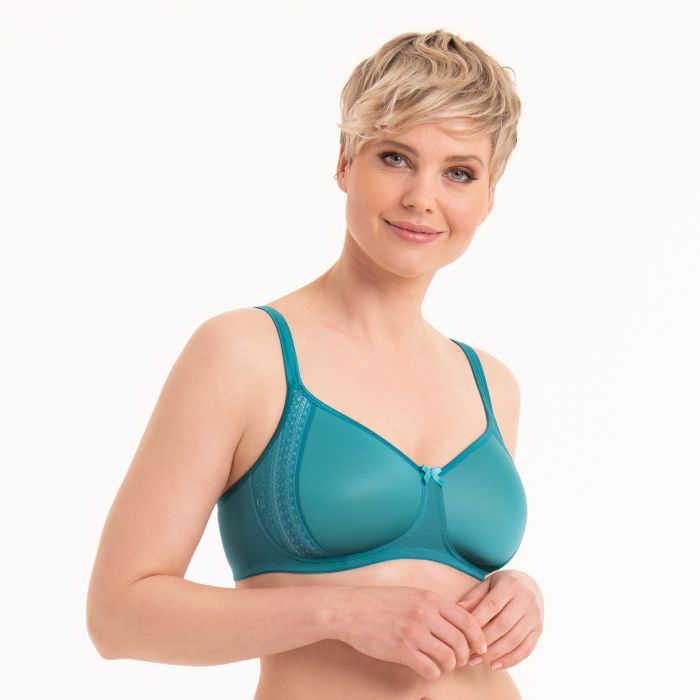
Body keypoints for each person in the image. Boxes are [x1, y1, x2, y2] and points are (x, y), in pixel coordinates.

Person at [86, 28, 544, 700]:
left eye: (459, 173)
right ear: (345, 162)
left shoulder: (491, 384)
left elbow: (436, 580)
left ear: (488, 196)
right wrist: (337, 613)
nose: (422, 197)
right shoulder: (246, 352)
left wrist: (514, 593)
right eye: (395, 158)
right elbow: (118, 616)